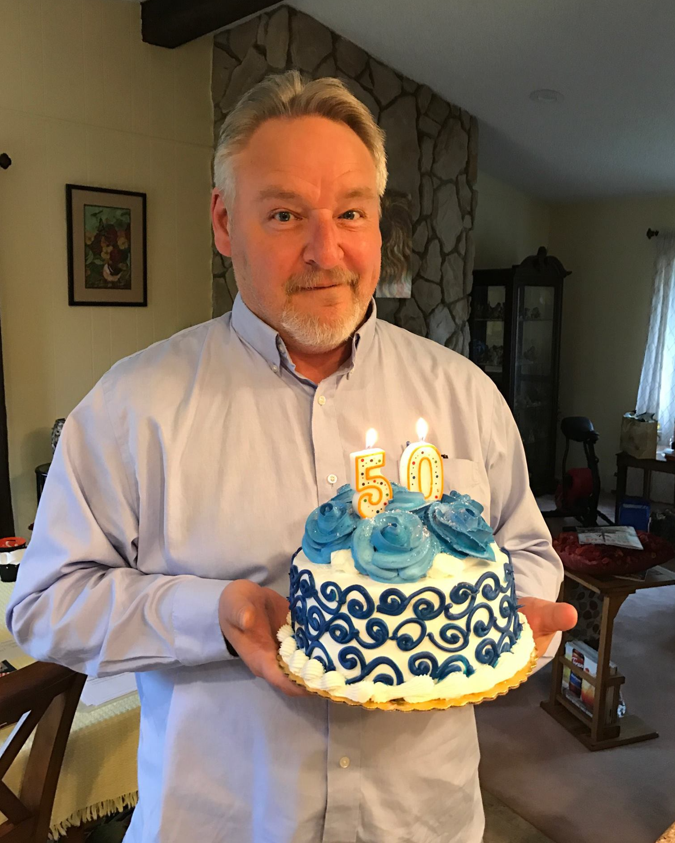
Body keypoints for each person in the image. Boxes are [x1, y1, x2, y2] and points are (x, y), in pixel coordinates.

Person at [7, 71, 576, 843]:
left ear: (378, 223)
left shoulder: (463, 394)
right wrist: (212, 612)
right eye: (283, 214)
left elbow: (525, 552)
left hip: (420, 824)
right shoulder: (134, 405)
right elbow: (44, 603)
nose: (325, 248)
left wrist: (489, 620)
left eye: (350, 212)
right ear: (222, 221)